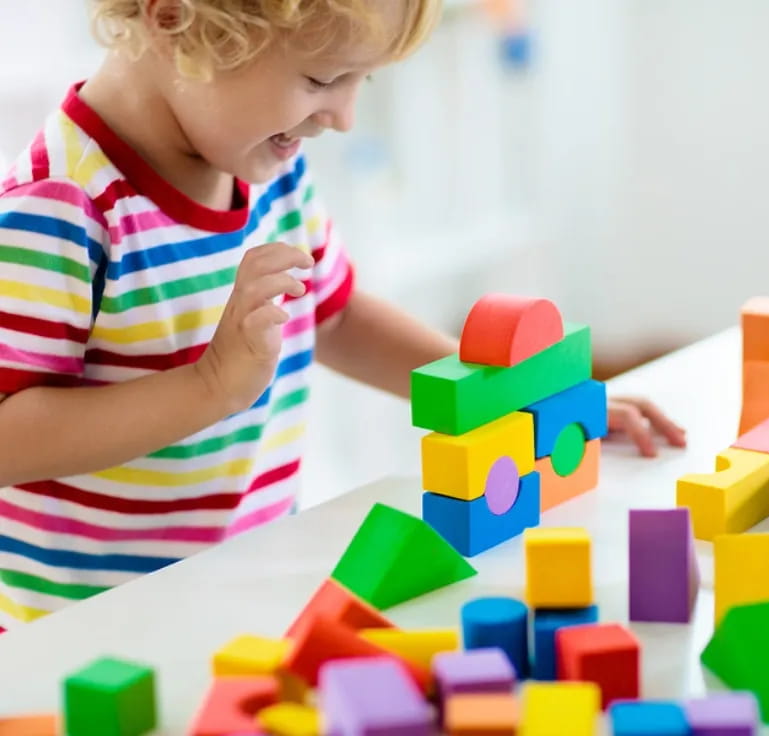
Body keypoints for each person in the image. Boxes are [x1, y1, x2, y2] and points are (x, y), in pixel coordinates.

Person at [0, 0, 685, 628]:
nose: (345, 117)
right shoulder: (58, 208)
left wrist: (525, 398)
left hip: (234, 595)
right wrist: (212, 388)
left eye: (365, 81)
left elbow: (337, 317)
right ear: (176, 20)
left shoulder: (267, 168)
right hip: (85, 632)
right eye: (323, 80)